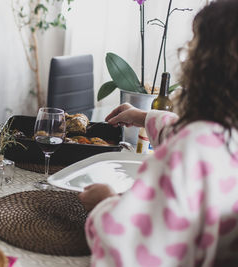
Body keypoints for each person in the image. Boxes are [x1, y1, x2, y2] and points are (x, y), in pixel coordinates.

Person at [78, 0, 238, 266]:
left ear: (210, 66)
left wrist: (104, 202)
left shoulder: (195, 147)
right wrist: (142, 117)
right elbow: (198, 137)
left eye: (193, 45)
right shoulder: (220, 136)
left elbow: (133, 251)